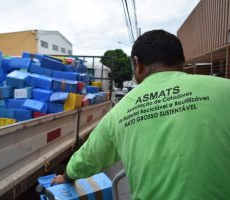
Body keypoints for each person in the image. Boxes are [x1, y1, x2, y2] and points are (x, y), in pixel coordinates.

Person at [52, 30, 230, 199]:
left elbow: (88, 157)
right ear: (181, 60)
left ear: (137, 63)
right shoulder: (224, 89)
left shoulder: (120, 111)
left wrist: (67, 176)